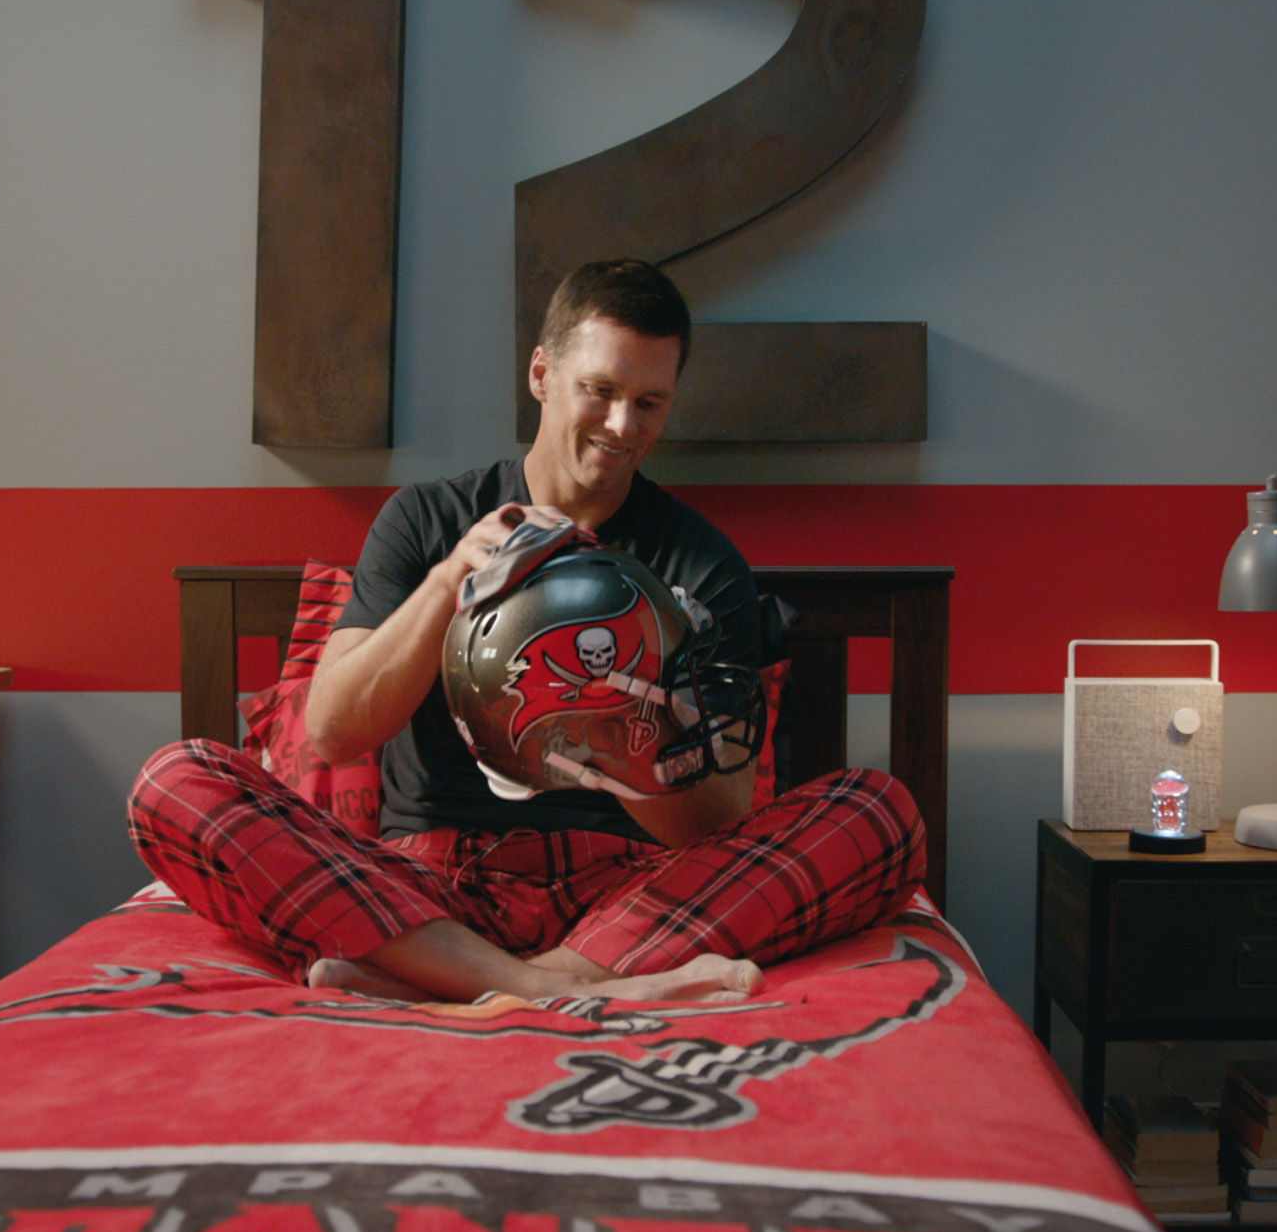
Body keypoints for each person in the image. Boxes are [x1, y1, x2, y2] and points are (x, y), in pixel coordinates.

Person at [129, 259, 924, 1005]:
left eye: (649, 402)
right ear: (541, 374)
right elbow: (335, 731)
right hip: (429, 882)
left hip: (629, 888)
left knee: (879, 809)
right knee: (175, 780)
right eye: (600, 389)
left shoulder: (701, 563)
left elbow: (717, 821)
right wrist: (448, 581)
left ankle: (466, 981)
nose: (622, 425)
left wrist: (628, 730)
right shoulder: (427, 518)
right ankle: (562, 992)